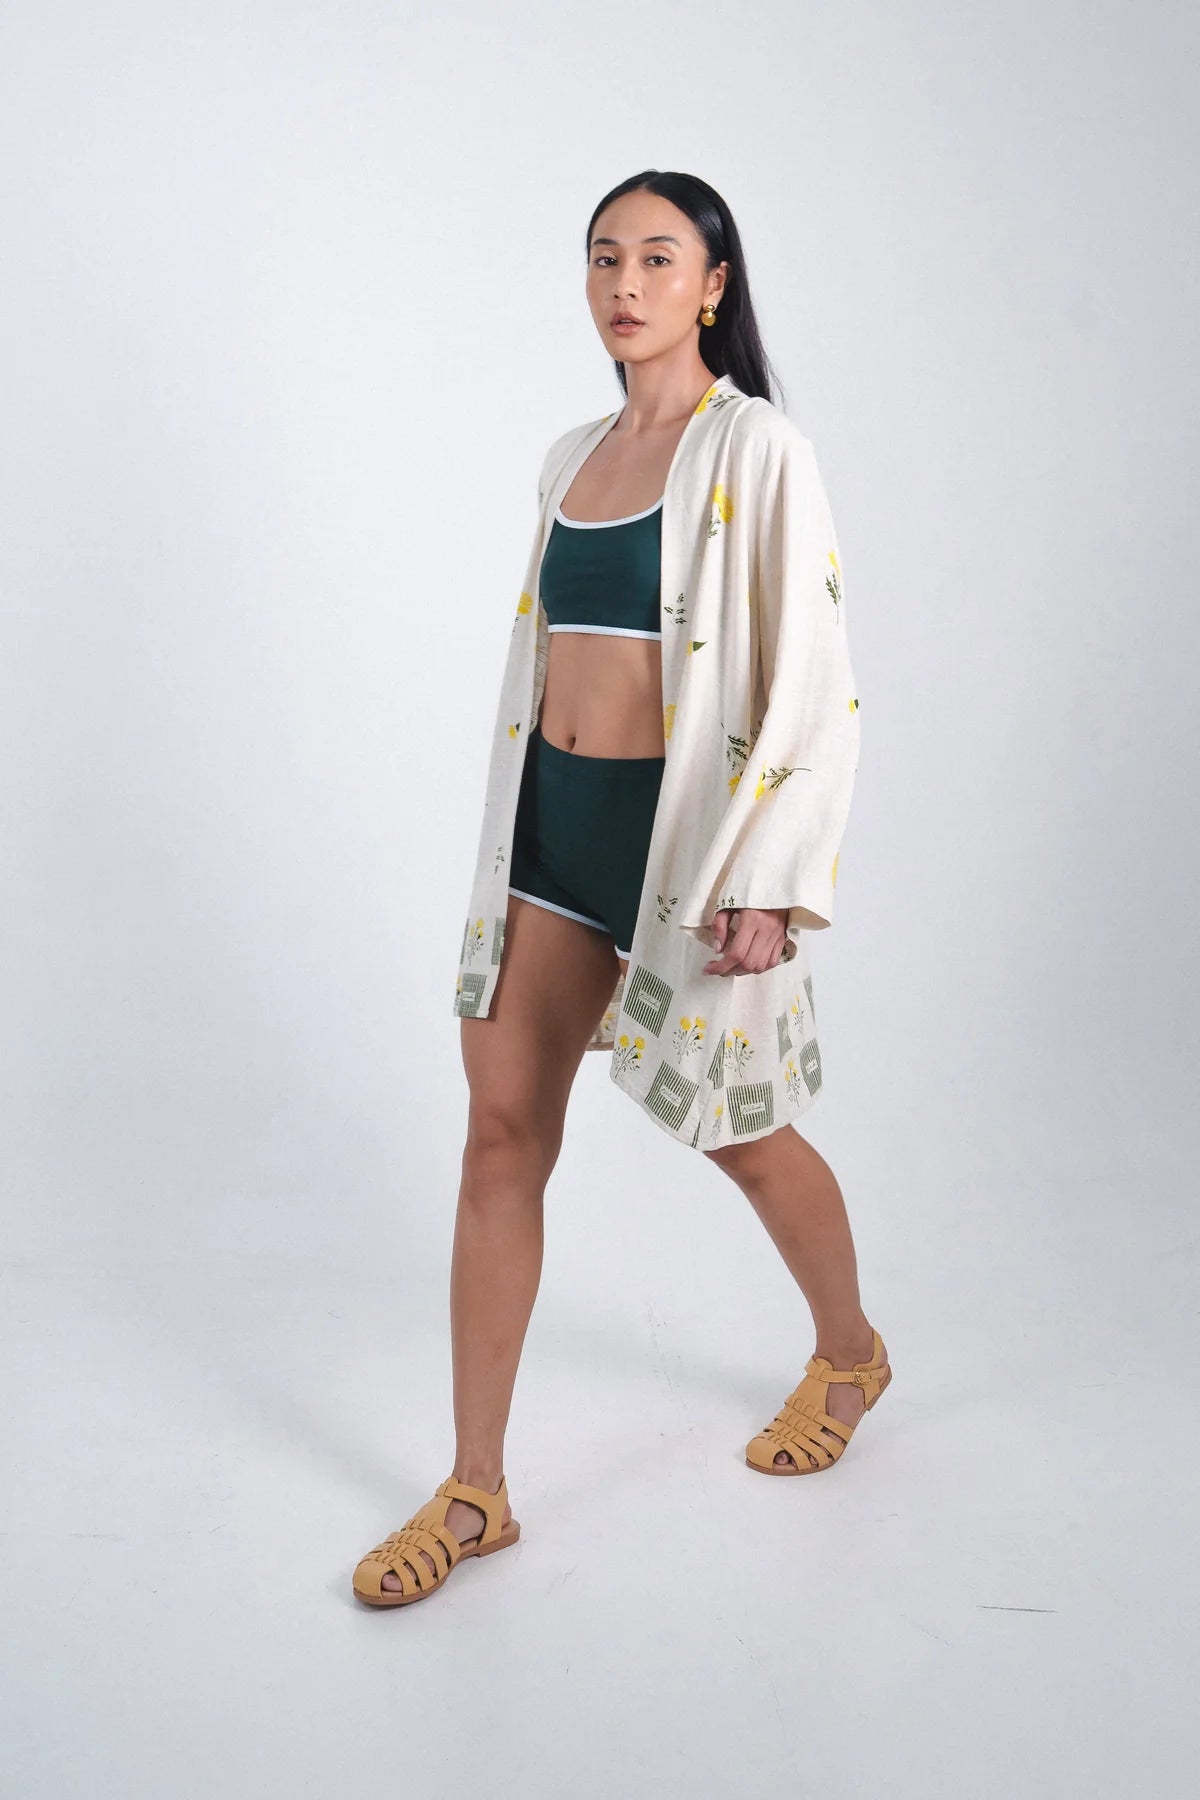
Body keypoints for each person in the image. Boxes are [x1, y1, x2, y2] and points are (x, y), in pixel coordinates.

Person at [351, 170, 891, 1609]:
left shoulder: (757, 449)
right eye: (605, 258)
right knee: (499, 1139)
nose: (626, 283)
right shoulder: (570, 456)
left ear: (714, 285)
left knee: (740, 1130)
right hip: (548, 843)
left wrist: (771, 876)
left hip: (684, 852)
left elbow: (816, 678)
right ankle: (477, 1490)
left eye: (659, 258)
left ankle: (851, 1354)